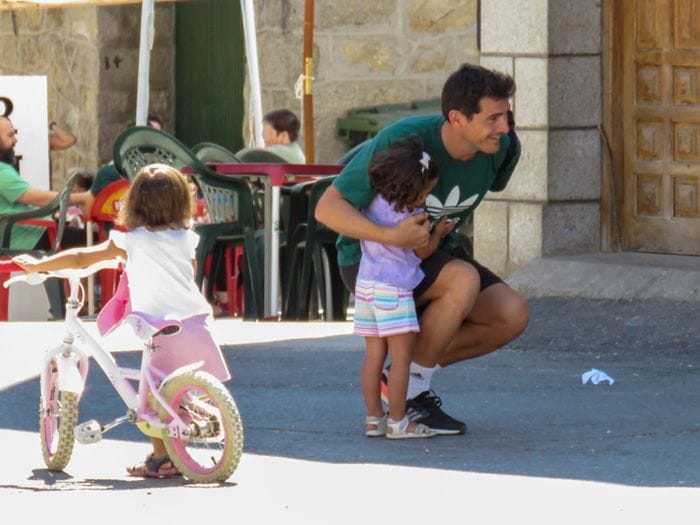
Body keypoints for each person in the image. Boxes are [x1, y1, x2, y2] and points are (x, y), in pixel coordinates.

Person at [315, 63, 529, 435]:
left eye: (506, 116)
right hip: (372, 260)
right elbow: (327, 207)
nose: (504, 128)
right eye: (493, 118)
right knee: (462, 280)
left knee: (510, 315)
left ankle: (399, 376)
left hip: (429, 255)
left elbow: (492, 180)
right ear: (457, 118)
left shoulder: (502, 149)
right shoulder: (406, 139)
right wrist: (391, 236)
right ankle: (410, 396)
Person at [13, 163, 230, 478]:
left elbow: (79, 259)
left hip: (163, 327)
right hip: (198, 323)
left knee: (152, 395)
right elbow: (190, 269)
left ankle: (161, 460)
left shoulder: (129, 241)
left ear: (134, 204)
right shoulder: (186, 237)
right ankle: (192, 410)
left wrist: (38, 265)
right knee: (174, 383)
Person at [357, 136, 454, 439]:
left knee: (373, 358)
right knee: (401, 360)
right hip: (394, 290)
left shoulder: (372, 204)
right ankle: (398, 421)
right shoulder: (413, 218)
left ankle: (374, 418)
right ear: (414, 191)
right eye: (425, 192)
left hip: (365, 287)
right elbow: (423, 251)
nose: (426, 198)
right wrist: (437, 232)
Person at [0, 116, 90, 317]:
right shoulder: (1, 171)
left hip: (26, 231)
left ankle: (66, 307)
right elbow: (36, 198)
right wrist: (81, 198)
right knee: (88, 241)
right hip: (26, 235)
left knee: (80, 238)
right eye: (10, 135)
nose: (15, 139)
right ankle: (72, 308)